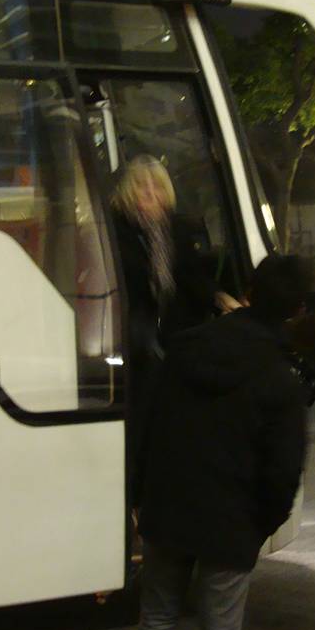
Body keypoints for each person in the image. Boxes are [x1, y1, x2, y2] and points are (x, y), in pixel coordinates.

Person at [127, 254, 310, 630]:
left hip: (168, 505)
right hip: (231, 518)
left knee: (158, 618)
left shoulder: (185, 350)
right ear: (296, 309)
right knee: (222, 626)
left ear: (248, 291)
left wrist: (139, 497)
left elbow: (147, 428)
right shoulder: (278, 375)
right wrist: (261, 525)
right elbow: (284, 469)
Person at [111, 154, 240, 501]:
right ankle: (138, 493)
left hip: (173, 329)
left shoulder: (177, 229)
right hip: (133, 333)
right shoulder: (114, 229)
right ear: (127, 191)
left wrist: (219, 297)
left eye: (156, 186)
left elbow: (190, 276)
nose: (149, 193)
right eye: (141, 186)